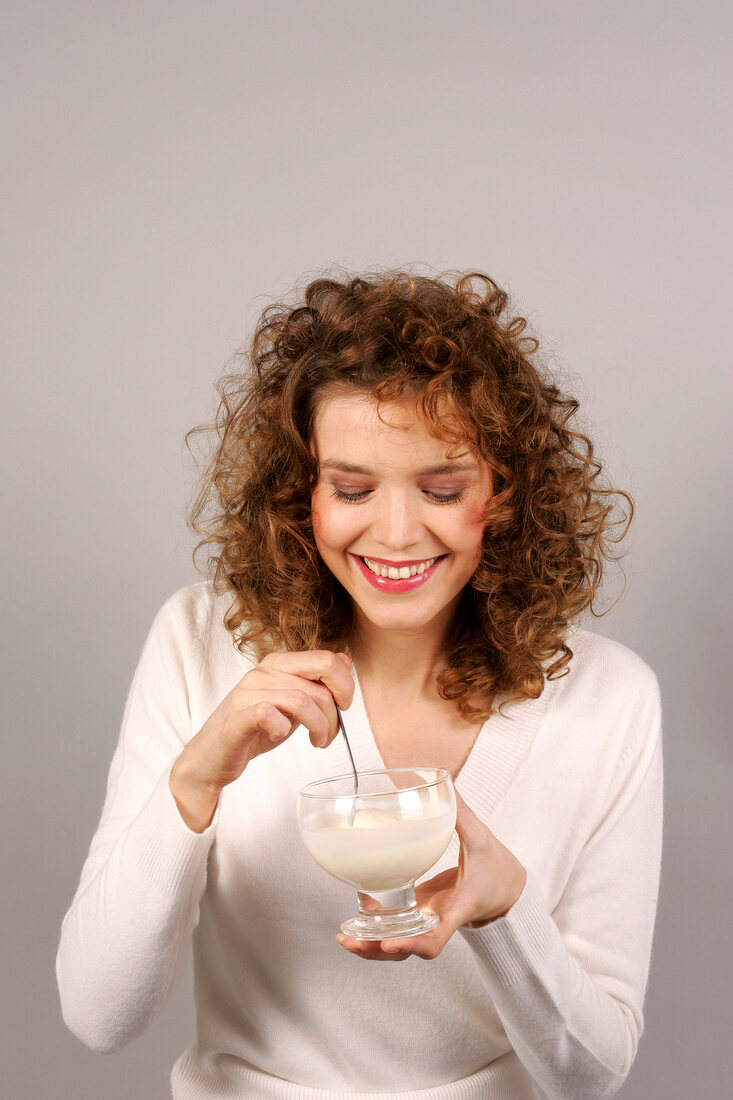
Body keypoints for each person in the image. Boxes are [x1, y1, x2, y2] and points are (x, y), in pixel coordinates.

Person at [56, 269, 663, 1100]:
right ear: (299, 495)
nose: (397, 532)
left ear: (506, 491)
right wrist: (195, 780)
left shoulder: (608, 698)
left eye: (442, 489)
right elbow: (99, 1015)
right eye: (351, 488)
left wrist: (504, 915)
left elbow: (589, 1077)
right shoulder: (204, 643)